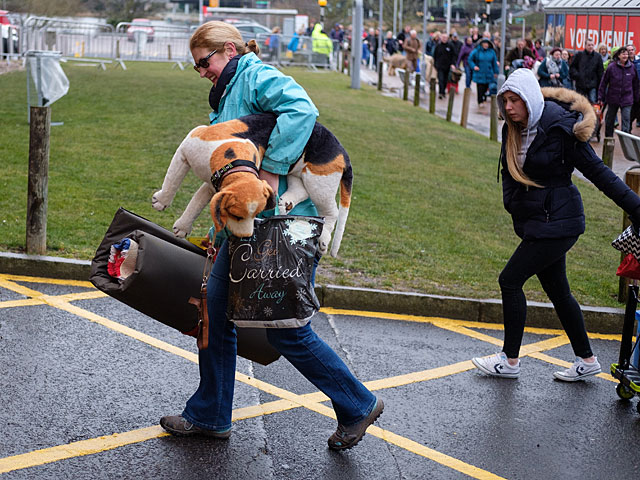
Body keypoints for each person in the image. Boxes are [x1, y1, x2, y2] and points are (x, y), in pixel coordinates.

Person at [160, 21, 383, 451]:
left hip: (284, 228)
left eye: (204, 62)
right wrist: (219, 231)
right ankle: (210, 414)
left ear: (227, 50)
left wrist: (274, 168)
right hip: (252, 229)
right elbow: (230, 174)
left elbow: (302, 109)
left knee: (285, 329)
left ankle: (357, 403)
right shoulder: (230, 88)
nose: (202, 71)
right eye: (197, 68)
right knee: (217, 313)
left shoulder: (256, 76)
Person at [472, 68, 640, 381]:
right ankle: (587, 360)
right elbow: (509, 172)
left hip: (560, 222)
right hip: (539, 222)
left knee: (510, 280)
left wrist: (637, 209)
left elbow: (599, 173)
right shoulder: (513, 128)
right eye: (504, 100)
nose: (508, 107)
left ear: (530, 99)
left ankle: (509, 361)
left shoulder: (560, 129)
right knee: (558, 291)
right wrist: (513, 205)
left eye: (515, 100)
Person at [598, 46, 640, 137]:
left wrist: (637, 97)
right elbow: (604, 82)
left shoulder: (632, 67)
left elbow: (636, 84)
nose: (625, 56)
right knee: (610, 120)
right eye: (623, 54)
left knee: (626, 120)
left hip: (627, 99)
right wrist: (600, 96)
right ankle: (608, 139)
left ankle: (625, 140)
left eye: (626, 54)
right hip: (613, 98)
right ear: (618, 55)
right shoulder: (611, 67)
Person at [468, 38, 499, 106]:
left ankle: (484, 98)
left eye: (487, 43)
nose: (485, 45)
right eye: (484, 43)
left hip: (488, 72)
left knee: (486, 87)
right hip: (479, 72)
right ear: (481, 44)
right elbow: (470, 59)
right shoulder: (476, 51)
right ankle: (480, 101)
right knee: (480, 87)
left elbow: (494, 63)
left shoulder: (491, 52)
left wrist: (496, 72)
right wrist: (474, 66)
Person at [433, 32, 456, 98]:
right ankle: (441, 92)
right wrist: (435, 64)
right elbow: (435, 55)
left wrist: (452, 64)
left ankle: (443, 91)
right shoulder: (438, 46)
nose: (444, 39)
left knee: (445, 79)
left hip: (447, 66)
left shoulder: (450, 45)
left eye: (446, 38)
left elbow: (453, 55)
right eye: (443, 37)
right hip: (440, 66)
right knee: (440, 79)